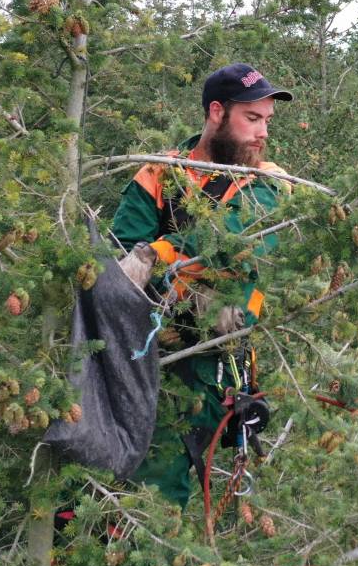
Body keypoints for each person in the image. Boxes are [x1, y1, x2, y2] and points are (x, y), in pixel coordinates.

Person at [110, 62, 293, 508]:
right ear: (216, 112)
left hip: (208, 363)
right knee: (98, 473)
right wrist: (166, 274)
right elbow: (123, 251)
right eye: (252, 118)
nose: (262, 132)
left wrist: (160, 255)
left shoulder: (268, 180)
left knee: (158, 486)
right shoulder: (159, 172)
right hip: (141, 351)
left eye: (267, 120)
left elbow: (235, 240)